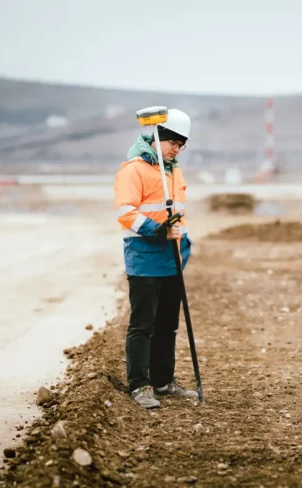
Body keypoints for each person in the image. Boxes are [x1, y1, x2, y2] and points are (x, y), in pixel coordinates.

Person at [113, 108, 199, 409]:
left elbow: (178, 215)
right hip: (144, 258)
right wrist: (158, 231)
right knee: (142, 325)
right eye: (172, 141)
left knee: (167, 325)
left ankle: (163, 382)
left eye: (181, 143)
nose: (176, 148)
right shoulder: (133, 170)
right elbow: (125, 214)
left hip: (170, 259)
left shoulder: (174, 171)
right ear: (156, 136)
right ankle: (139, 385)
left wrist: (182, 242)